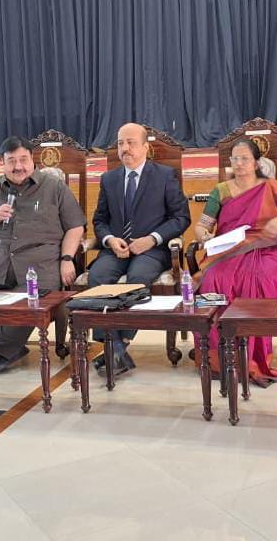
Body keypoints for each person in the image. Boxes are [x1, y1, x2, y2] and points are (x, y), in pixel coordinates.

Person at [0, 136, 85, 376]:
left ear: (32, 160)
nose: (18, 166)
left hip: (37, 265)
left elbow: (75, 226)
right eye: (11, 161)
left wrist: (66, 259)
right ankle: (11, 346)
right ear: (2, 164)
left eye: (23, 159)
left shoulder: (54, 187)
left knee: (32, 300)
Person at [193, 138, 277, 387]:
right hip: (227, 250)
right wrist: (204, 237)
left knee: (259, 277)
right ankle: (219, 357)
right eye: (234, 159)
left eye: (244, 159)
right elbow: (202, 226)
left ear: (256, 163)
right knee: (214, 279)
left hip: (265, 249)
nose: (238, 163)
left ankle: (255, 357)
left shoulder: (271, 187)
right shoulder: (221, 190)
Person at [88, 122, 190, 374]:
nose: (125, 148)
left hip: (152, 249)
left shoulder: (164, 175)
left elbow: (181, 218)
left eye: (131, 143)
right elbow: (100, 220)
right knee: (98, 276)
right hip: (117, 248)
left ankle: (119, 345)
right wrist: (110, 240)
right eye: (120, 143)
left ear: (146, 147)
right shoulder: (109, 179)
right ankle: (115, 348)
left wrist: (153, 239)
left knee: (137, 278)